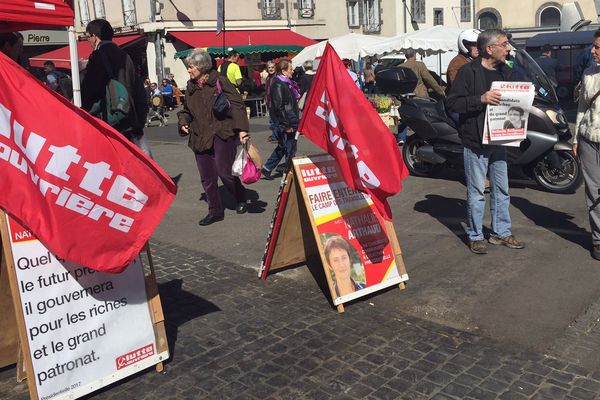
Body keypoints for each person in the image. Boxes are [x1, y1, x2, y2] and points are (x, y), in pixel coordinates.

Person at [447, 28, 525, 255]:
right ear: (489, 49)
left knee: (502, 189)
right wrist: (480, 99)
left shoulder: (507, 71)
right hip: (476, 141)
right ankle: (475, 235)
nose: (508, 48)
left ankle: (501, 233)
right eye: (504, 44)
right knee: (477, 191)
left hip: (500, 140)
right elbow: (453, 104)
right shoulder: (467, 72)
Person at [178, 49, 250, 226]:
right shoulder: (190, 87)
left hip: (221, 132)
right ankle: (215, 211)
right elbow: (186, 110)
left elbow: (237, 104)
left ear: (202, 67)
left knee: (224, 172)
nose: (189, 70)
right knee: (207, 177)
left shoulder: (219, 81)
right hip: (199, 135)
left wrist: (242, 130)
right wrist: (183, 121)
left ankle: (240, 196)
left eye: (191, 67)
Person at [81, 19, 150, 156]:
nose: (88, 41)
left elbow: (90, 89)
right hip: (129, 118)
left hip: (109, 121)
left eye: (88, 37)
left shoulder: (98, 56)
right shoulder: (125, 56)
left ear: (95, 37)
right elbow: (139, 90)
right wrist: (139, 121)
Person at [573, 29, 600, 260]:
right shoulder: (589, 74)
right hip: (589, 139)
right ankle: (598, 239)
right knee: (593, 191)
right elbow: (582, 108)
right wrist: (575, 139)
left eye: (598, 47)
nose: (593, 50)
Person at [261, 59, 300, 180]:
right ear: (283, 71)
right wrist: (286, 124)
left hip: (290, 117)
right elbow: (279, 106)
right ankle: (289, 170)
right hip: (286, 119)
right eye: (290, 69)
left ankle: (267, 168)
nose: (292, 71)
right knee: (290, 146)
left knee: (285, 146)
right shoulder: (278, 83)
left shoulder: (287, 82)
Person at [264, 61, 278, 143]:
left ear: (275, 68)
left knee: (276, 120)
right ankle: (274, 135)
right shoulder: (268, 78)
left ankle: (276, 136)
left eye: (272, 67)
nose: (271, 69)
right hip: (269, 102)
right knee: (272, 120)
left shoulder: (277, 77)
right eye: (269, 68)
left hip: (275, 102)